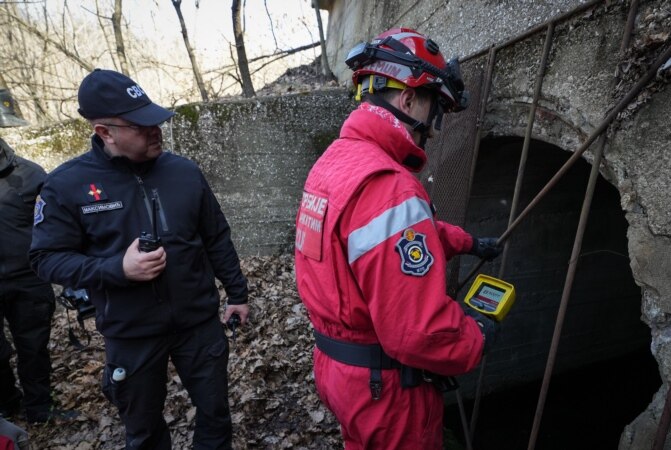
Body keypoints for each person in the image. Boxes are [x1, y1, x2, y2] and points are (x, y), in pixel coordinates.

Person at [294, 28, 502, 449]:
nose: (434, 127)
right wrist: (474, 338)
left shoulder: (335, 164)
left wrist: (466, 242)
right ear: (408, 100)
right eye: (434, 109)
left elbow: (376, 241)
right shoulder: (391, 186)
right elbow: (416, 333)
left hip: (338, 369)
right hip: (386, 389)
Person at [29, 69, 249, 449]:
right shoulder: (66, 185)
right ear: (105, 132)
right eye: (141, 125)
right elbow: (46, 259)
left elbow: (216, 237)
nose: (155, 130)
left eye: (155, 120)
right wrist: (118, 269)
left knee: (215, 419)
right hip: (130, 334)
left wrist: (238, 293)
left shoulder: (184, 172)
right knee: (144, 432)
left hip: (198, 325)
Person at [0, 91, 74, 424]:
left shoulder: (30, 175)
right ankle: (7, 402)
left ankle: (39, 409)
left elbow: (58, 224)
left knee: (33, 348)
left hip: (28, 279)